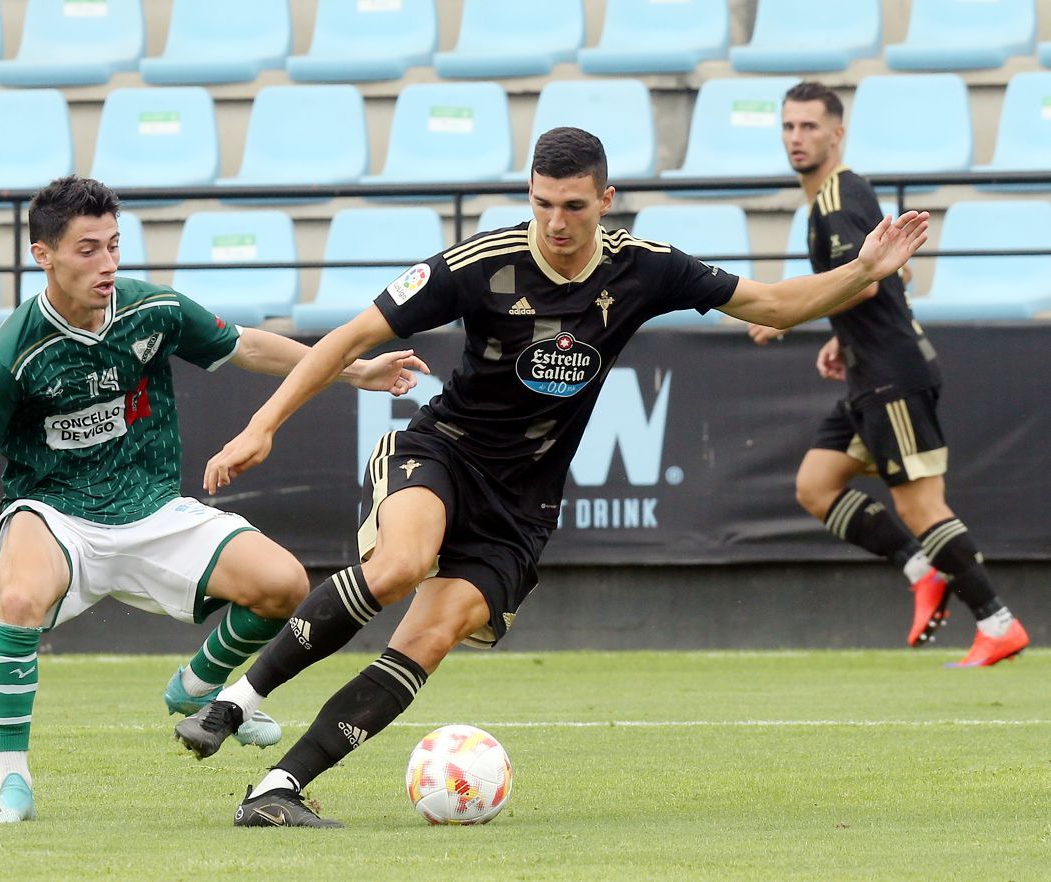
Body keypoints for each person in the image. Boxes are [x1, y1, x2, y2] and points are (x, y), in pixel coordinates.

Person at [171, 127, 931, 828]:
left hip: (524, 503)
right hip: (443, 450)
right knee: (401, 563)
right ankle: (237, 701)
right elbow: (349, 336)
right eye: (541, 203)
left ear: (605, 200)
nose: (556, 221)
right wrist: (261, 425)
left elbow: (771, 303)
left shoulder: (644, 268)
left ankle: (276, 791)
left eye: (573, 205)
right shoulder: (479, 264)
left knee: (430, 636)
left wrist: (863, 268)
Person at [0, 175, 425, 824]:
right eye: (87, 250)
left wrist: (353, 370)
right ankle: (13, 786)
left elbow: (245, 344)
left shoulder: (149, 310)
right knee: (16, 601)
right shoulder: (11, 356)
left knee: (283, 583)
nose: (107, 264)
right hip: (54, 514)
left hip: (152, 506)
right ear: (42, 256)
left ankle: (193, 688)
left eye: (113, 246)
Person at [746, 81, 1027, 665]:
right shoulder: (835, 195)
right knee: (815, 485)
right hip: (868, 371)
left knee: (922, 508)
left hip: (892, 376)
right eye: (788, 126)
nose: (796, 138)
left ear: (837, 133)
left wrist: (790, 317)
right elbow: (884, 279)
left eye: (809, 127)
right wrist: (840, 338)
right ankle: (922, 570)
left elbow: (867, 278)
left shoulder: (836, 196)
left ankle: (998, 621)